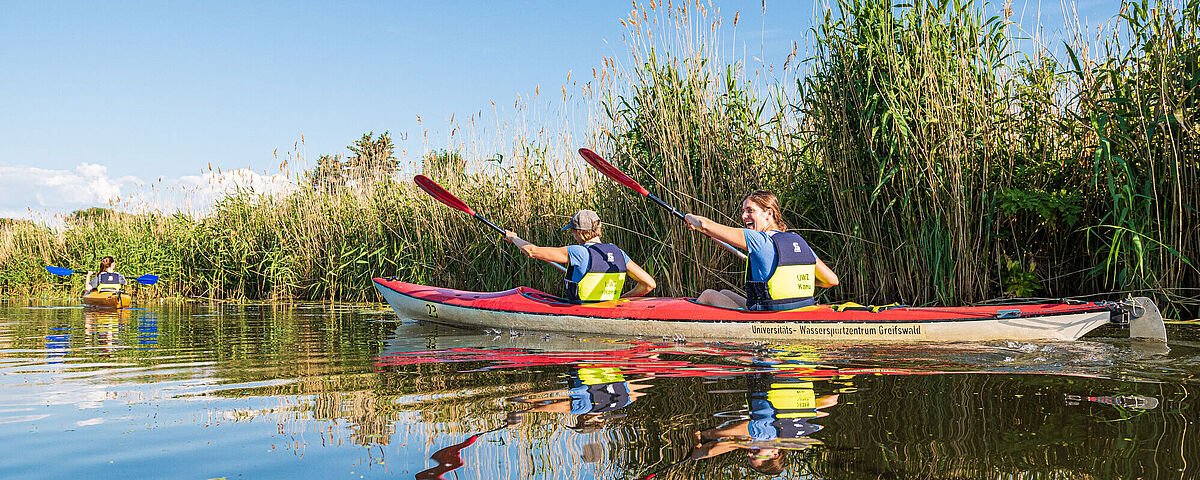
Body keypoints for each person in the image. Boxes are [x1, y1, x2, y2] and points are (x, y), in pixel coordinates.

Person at [684, 190, 838, 310]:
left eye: (750, 211)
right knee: (724, 293)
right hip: (798, 309)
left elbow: (704, 225)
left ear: (769, 213)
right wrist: (788, 281)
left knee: (708, 295)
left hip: (768, 314)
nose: (744, 216)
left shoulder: (757, 239)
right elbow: (831, 280)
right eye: (743, 211)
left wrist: (688, 216)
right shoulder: (798, 241)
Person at [505, 209, 656, 302]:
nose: (573, 235)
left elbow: (531, 251)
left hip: (583, 310)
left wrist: (514, 238)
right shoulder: (619, 253)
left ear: (579, 232)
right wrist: (619, 301)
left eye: (572, 231)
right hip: (610, 310)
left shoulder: (578, 252)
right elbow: (649, 284)